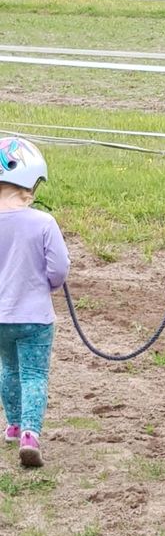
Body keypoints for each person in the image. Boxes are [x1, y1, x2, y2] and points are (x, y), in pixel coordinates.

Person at [0, 137, 70, 468]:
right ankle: (30, 433)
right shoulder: (44, 223)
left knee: (8, 368)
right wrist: (51, 284)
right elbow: (59, 269)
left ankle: (12, 425)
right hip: (35, 317)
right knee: (33, 373)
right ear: (30, 182)